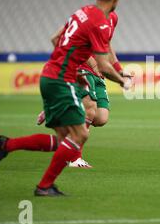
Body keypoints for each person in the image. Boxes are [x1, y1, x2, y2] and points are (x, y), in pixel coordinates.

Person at [0, 0, 131, 196]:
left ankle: (6, 146)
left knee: (64, 141)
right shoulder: (100, 22)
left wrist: (72, 69)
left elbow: (55, 39)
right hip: (61, 80)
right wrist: (123, 80)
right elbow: (103, 64)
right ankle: (44, 186)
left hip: (52, 75)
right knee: (80, 135)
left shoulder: (82, 12)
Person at [36, 12, 131, 168]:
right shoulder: (88, 17)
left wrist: (118, 69)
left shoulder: (112, 18)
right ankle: (75, 158)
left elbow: (108, 44)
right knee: (90, 110)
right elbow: (61, 40)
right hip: (83, 68)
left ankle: (60, 106)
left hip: (99, 72)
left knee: (101, 118)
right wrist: (93, 63)